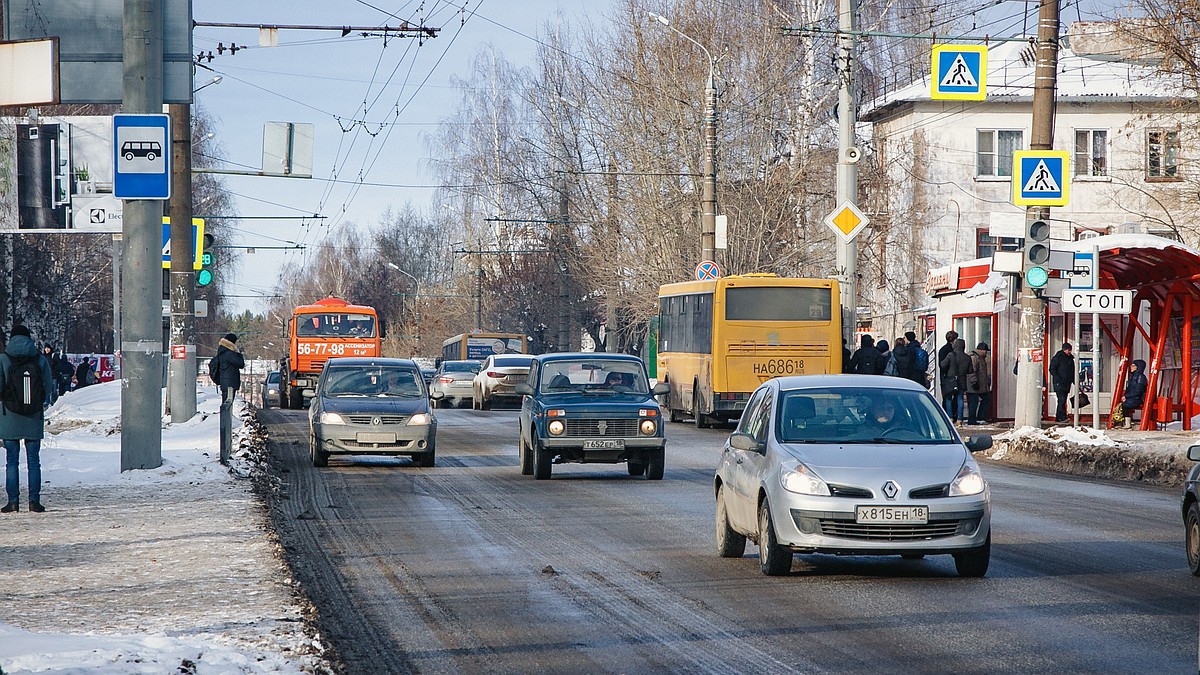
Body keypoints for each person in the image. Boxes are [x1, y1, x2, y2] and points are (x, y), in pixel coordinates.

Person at [0, 325, 55, 513]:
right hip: (33, 416)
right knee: (33, 461)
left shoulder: (3, 359)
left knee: (11, 461)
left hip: (9, 417)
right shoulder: (39, 359)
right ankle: (34, 502)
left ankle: (13, 502)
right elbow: (48, 387)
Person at [212, 333, 245, 466]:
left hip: (226, 382)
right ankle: (226, 429)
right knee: (227, 405)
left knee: (227, 404)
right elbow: (240, 364)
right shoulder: (229, 353)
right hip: (229, 383)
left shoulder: (222, 351)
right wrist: (239, 353)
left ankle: (228, 424)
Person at [939, 338, 972, 424]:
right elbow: (970, 370)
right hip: (962, 380)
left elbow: (942, 364)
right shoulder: (967, 357)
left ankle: (950, 418)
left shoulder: (951, 355)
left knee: (948, 399)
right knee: (960, 399)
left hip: (951, 380)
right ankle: (959, 419)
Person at [965, 342, 992, 425]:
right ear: (981, 350)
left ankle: (979, 417)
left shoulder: (980, 357)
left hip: (979, 385)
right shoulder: (974, 358)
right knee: (973, 402)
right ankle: (972, 419)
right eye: (985, 351)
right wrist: (974, 382)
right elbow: (971, 371)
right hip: (974, 385)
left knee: (985, 398)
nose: (986, 353)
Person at [1049, 342, 1076, 423]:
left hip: (1067, 383)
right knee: (1061, 400)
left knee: (1063, 400)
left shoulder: (1070, 359)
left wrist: (1074, 381)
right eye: (1068, 350)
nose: (1069, 352)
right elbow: (1052, 369)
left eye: (1070, 350)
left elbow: (1072, 371)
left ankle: (1060, 417)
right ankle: (1061, 417)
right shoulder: (1058, 358)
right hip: (1059, 383)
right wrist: (1058, 378)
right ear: (1064, 350)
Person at [1120, 359, 1148, 429]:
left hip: (1138, 398)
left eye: (1133, 366)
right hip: (1132, 397)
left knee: (1126, 405)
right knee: (1122, 405)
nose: (1131, 367)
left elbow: (1138, 391)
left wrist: (1126, 396)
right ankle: (1126, 423)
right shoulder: (1132, 376)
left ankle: (1127, 423)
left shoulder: (1141, 377)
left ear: (1138, 367)